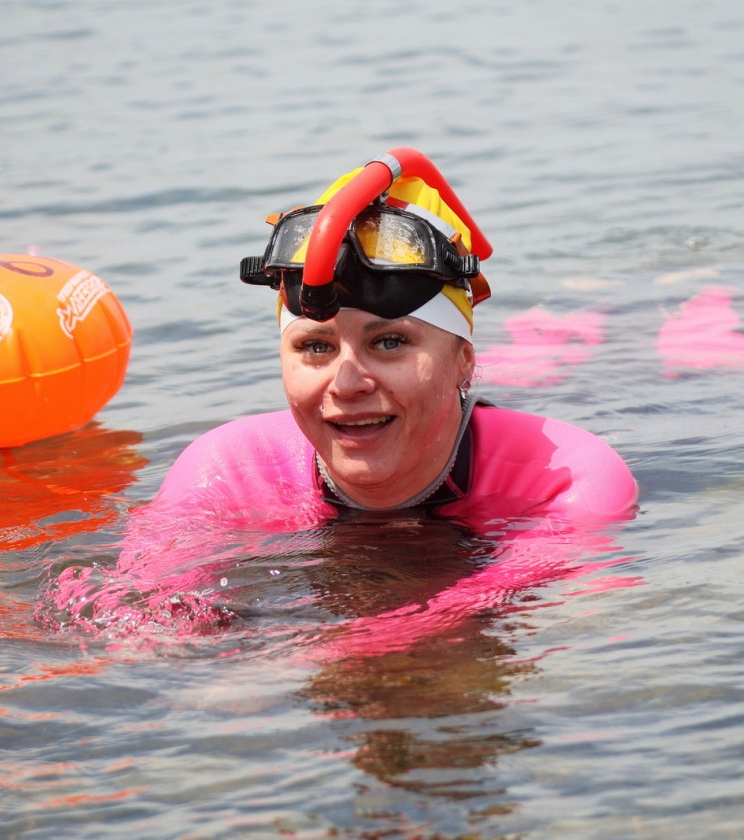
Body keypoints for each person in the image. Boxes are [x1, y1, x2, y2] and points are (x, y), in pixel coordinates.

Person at [42, 148, 639, 643]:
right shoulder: (228, 472)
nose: (347, 384)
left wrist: (293, 653)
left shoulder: (563, 480)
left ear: (464, 360)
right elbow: (134, 612)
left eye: (389, 342)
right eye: (316, 347)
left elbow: (584, 621)